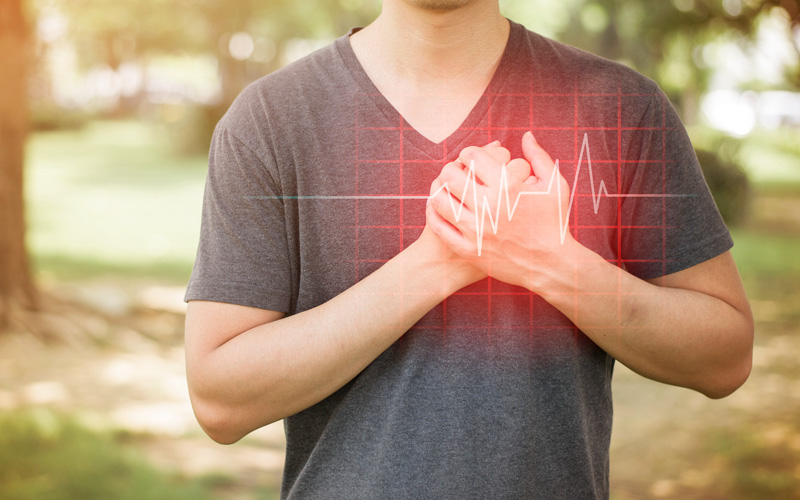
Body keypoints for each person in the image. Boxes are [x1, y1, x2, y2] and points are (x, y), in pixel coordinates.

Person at [183, 0, 754, 498]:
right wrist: (439, 261)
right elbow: (220, 400)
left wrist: (552, 261)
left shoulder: (622, 108)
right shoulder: (268, 121)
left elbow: (724, 356)